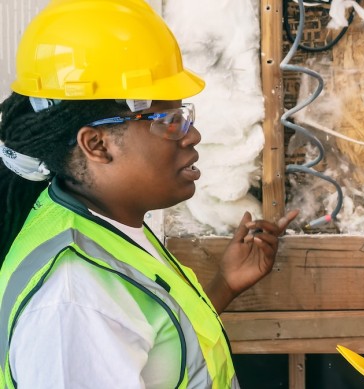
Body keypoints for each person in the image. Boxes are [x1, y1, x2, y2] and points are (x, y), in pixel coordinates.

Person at [0, 0, 298, 387]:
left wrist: (224, 284)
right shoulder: (74, 298)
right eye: (168, 121)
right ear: (97, 145)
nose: (192, 135)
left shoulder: (105, 228)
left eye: (184, 116)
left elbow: (154, 347)